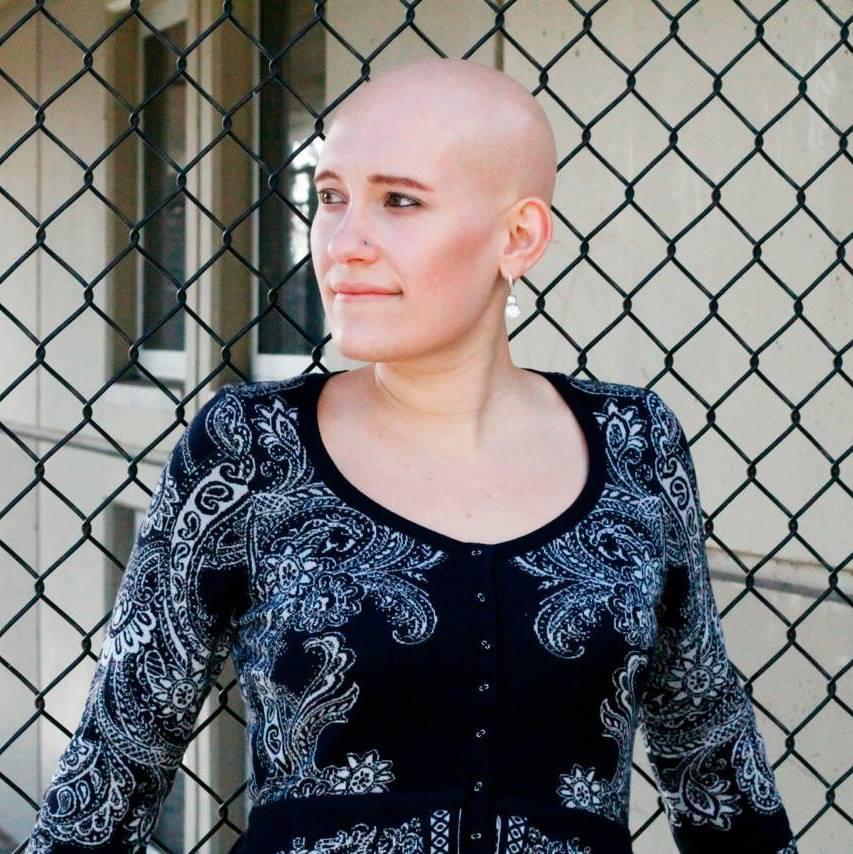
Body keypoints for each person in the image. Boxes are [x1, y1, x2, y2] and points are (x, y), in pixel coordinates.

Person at [26, 58, 796, 853]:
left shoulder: (633, 442)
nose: (342, 244)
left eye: (398, 201)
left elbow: (706, 745)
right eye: (330, 197)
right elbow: (114, 769)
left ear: (518, 237)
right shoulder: (251, 447)